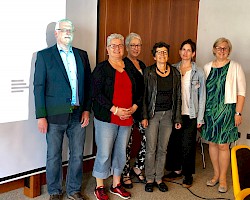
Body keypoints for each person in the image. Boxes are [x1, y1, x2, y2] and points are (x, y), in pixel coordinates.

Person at [33, 19, 91, 200]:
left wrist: (86, 110)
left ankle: (74, 190)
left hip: (78, 113)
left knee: (77, 155)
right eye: (63, 30)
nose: (67, 32)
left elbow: (88, 85)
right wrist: (41, 115)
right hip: (54, 115)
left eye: (70, 29)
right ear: (56, 33)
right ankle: (55, 191)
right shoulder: (44, 56)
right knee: (53, 156)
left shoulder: (82, 55)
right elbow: (39, 86)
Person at [92, 33, 140, 200]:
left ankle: (116, 184)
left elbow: (140, 89)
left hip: (127, 117)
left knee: (121, 152)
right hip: (107, 117)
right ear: (107, 49)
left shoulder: (129, 66)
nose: (117, 48)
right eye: (113, 46)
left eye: (120, 45)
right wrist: (114, 109)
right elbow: (96, 94)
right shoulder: (101, 68)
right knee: (104, 153)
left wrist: (134, 107)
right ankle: (99, 187)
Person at [201, 37, 246, 193]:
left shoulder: (235, 67)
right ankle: (215, 175)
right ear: (214, 49)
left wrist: (238, 113)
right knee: (212, 143)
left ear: (229, 50)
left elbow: (241, 93)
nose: (221, 50)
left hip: (227, 111)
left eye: (225, 48)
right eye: (219, 48)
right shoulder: (206, 67)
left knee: (223, 145)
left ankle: (223, 179)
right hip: (210, 112)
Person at [164, 39, 206, 188]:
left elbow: (202, 96)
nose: (185, 52)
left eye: (189, 50)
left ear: (193, 53)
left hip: (191, 113)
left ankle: (187, 174)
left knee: (188, 144)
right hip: (175, 113)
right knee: (174, 142)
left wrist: (200, 117)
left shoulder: (198, 71)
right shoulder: (173, 69)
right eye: (183, 49)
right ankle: (176, 170)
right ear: (180, 51)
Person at [142, 42, 182, 193]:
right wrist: (144, 116)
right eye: (159, 52)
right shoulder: (148, 72)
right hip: (152, 115)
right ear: (154, 56)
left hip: (168, 115)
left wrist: (177, 118)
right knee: (151, 148)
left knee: (162, 149)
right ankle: (149, 178)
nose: (162, 55)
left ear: (168, 55)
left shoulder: (175, 73)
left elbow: (178, 97)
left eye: (165, 52)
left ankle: (159, 178)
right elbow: (144, 96)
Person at [121, 33, 147, 189]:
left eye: (138, 45)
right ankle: (125, 173)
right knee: (126, 144)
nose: (136, 48)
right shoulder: (123, 64)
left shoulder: (142, 65)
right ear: (127, 47)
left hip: (140, 108)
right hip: (127, 110)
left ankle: (137, 167)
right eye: (133, 45)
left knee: (147, 139)